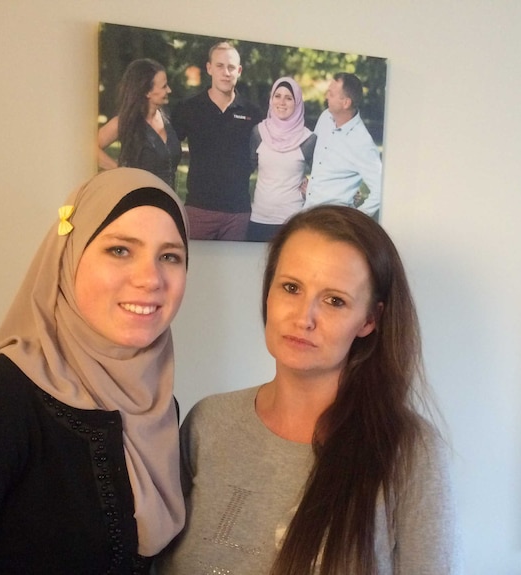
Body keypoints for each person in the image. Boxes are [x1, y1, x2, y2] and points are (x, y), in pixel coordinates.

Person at [0, 168, 190, 574]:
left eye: (170, 256)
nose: (150, 279)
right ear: (68, 256)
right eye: (119, 250)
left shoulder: (162, 409)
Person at [157, 206, 457, 574]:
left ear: (369, 320)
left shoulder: (410, 452)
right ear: (268, 292)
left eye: (334, 300)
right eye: (291, 288)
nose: (303, 318)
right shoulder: (208, 422)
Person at [173, 41, 262, 241]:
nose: (226, 72)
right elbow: (166, 150)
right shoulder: (189, 108)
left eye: (231, 67)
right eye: (220, 66)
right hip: (198, 209)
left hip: (238, 213)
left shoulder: (252, 112)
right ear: (209, 68)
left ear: (239, 71)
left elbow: (267, 153)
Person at [246, 76, 317, 242]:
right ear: (271, 100)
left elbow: (322, 175)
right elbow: (247, 168)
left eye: (289, 98)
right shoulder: (258, 132)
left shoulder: (308, 139)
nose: (282, 102)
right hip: (260, 218)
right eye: (277, 96)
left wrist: (311, 188)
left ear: (297, 102)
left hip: (292, 220)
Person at [305, 72, 383, 218]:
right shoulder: (325, 117)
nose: (326, 96)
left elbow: (381, 190)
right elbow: (319, 163)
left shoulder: (362, 142)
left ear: (346, 103)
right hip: (308, 214)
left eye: (331, 94)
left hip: (333, 223)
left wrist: (354, 220)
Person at [98, 59, 182, 188]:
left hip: (167, 201)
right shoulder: (125, 122)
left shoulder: (167, 117)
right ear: (147, 92)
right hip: (139, 201)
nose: (169, 90)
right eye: (164, 86)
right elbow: (89, 149)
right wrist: (120, 171)